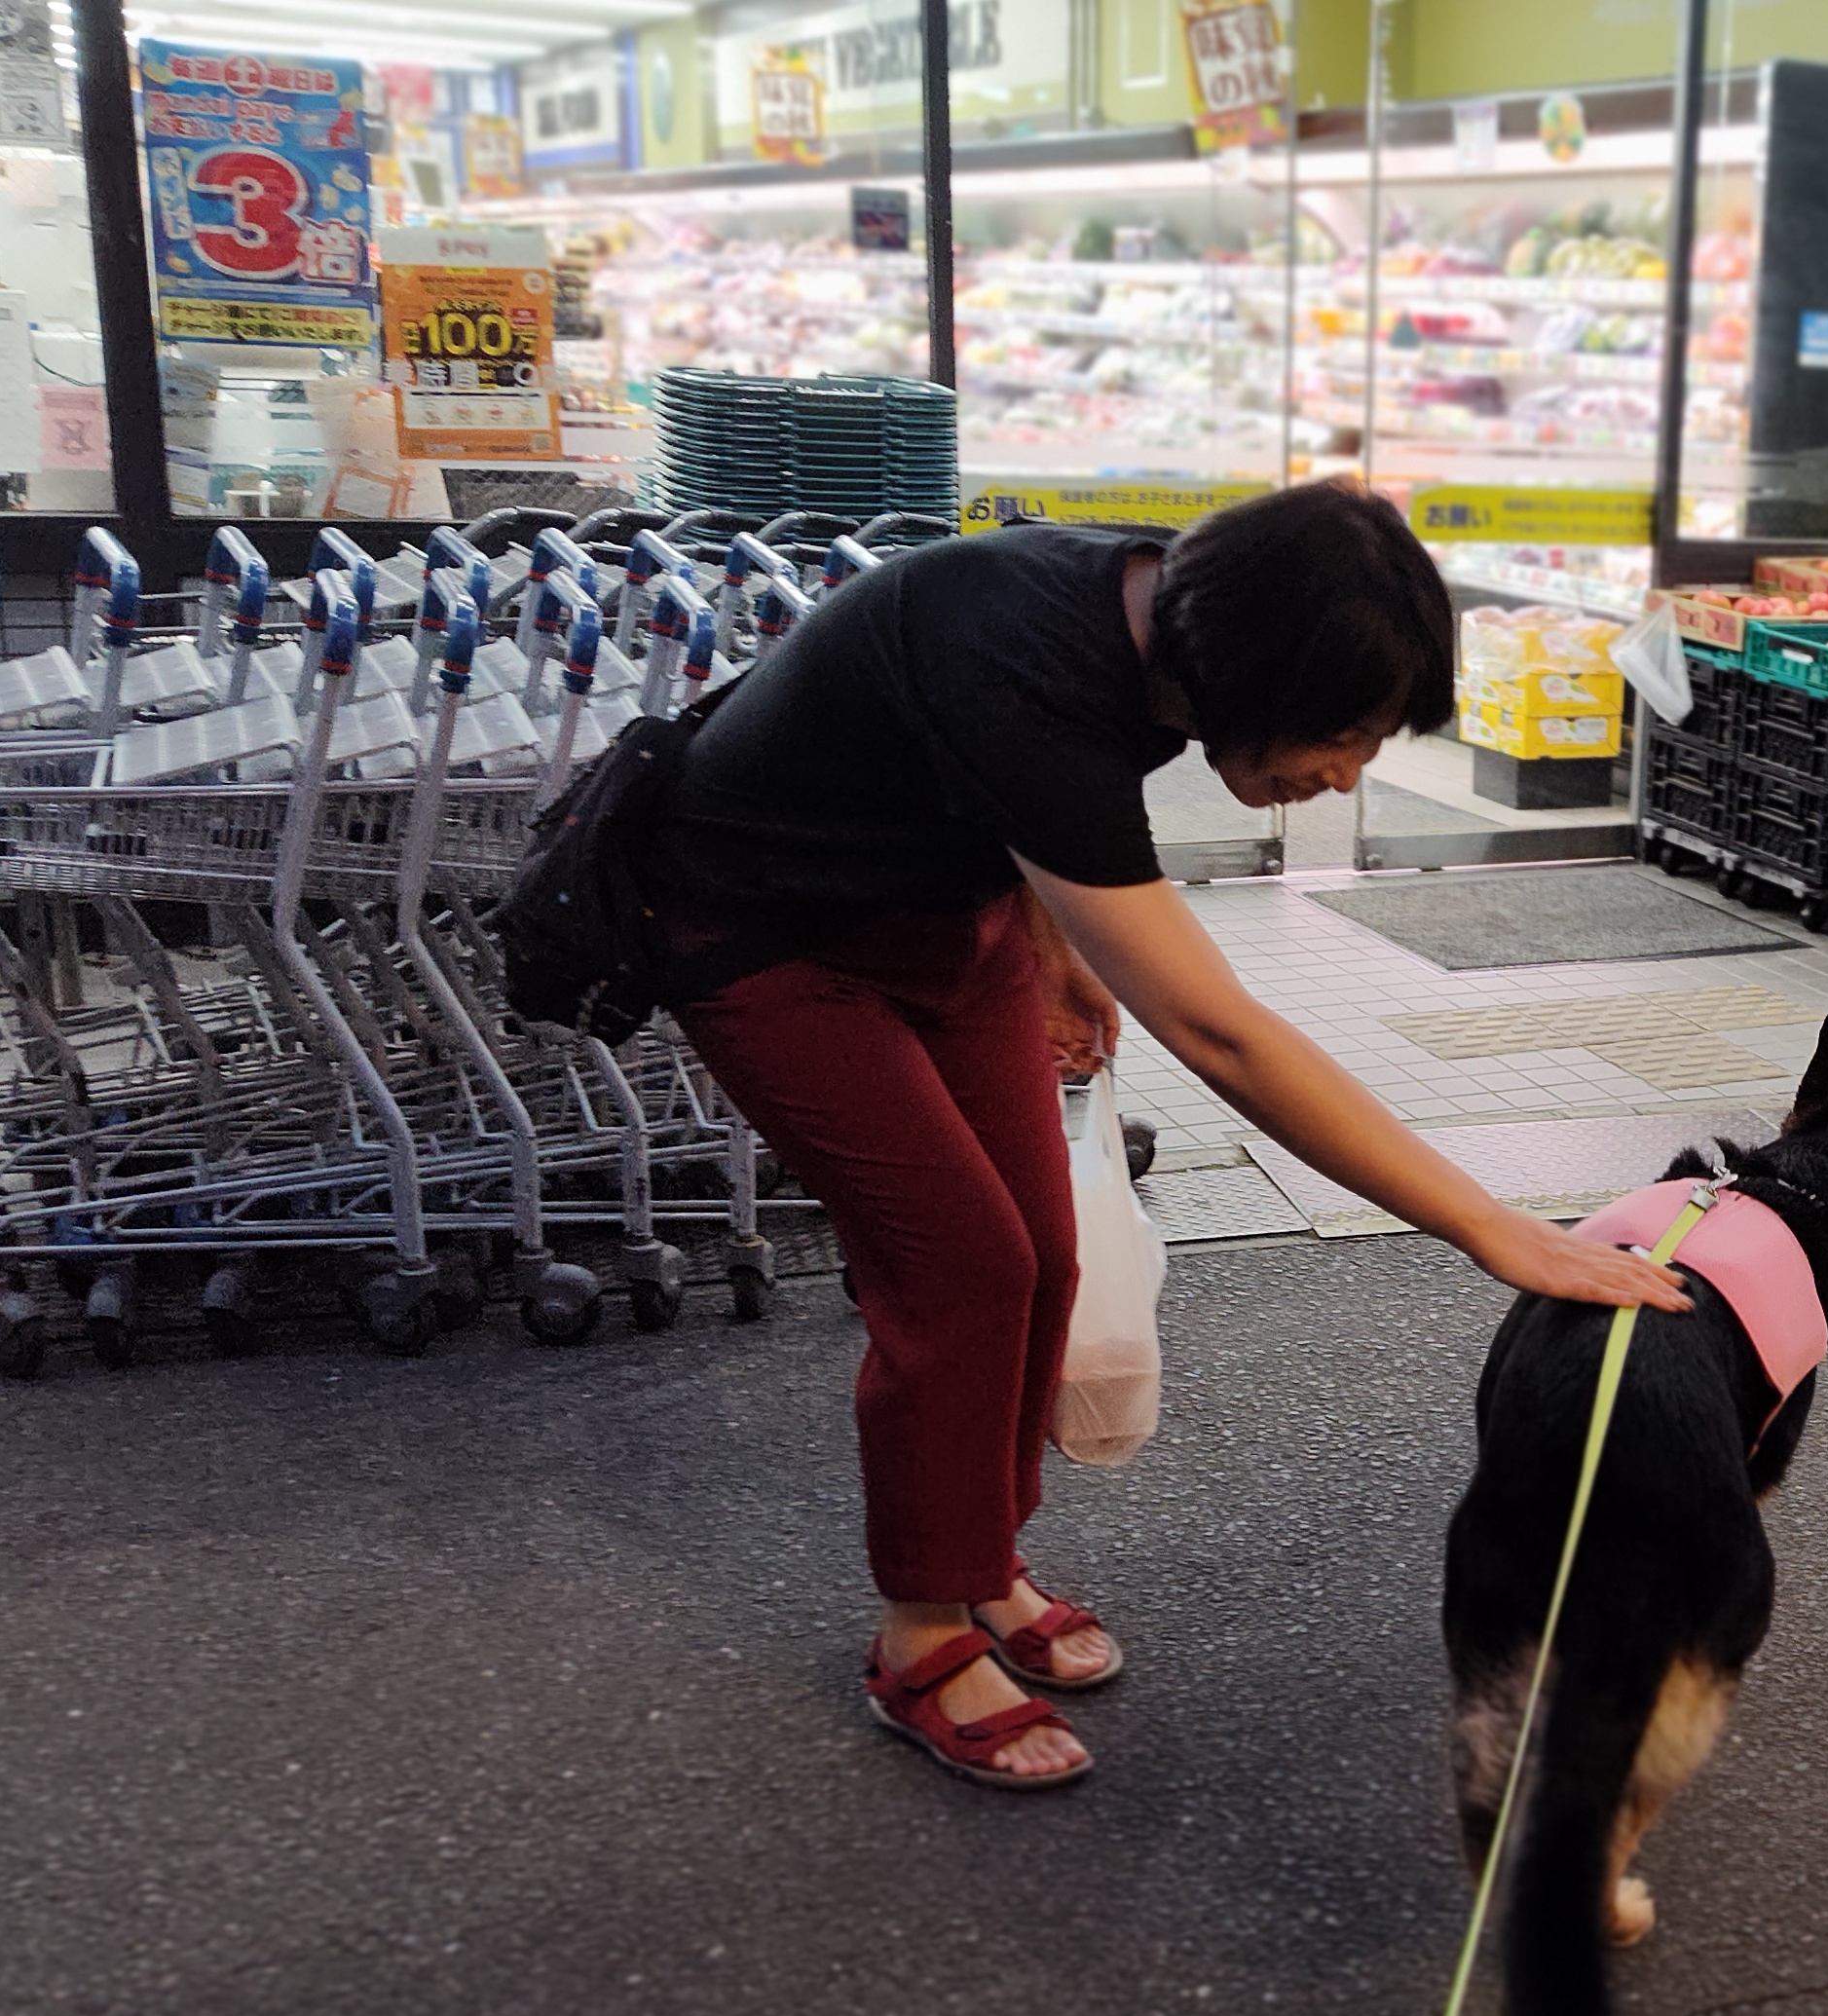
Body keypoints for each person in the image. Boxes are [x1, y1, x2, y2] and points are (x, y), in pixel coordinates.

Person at [640, 484, 1691, 1791]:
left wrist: (1056, 937)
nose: (1346, 777)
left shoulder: (1164, 615)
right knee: (964, 1271)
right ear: (1254, 678)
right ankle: (918, 1631)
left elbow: (1000, 785)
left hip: (943, 909)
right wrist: (1485, 1223)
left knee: (1045, 1254)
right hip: (763, 932)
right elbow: (1219, 1034)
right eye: (1346, 736)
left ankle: (981, 1561)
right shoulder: (1033, 654)